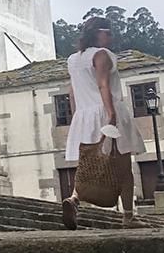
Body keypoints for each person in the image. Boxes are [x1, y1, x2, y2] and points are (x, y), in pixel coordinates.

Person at [62, 17, 147, 230]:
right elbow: (103, 85)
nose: (111, 36)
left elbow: (72, 92)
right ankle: (129, 216)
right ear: (98, 34)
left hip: (84, 116)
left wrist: (76, 117)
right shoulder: (101, 55)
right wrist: (110, 114)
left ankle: (74, 199)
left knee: (88, 164)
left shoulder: (73, 60)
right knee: (123, 166)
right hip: (106, 111)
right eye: (107, 32)